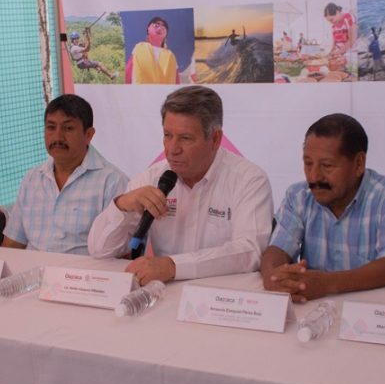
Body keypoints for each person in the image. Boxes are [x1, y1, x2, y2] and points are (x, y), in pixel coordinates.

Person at [88, 86, 274, 285]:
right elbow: (100, 250)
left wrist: (173, 266)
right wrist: (123, 205)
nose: (172, 149)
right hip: (162, 298)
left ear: (215, 139)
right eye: (168, 135)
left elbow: (249, 251)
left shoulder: (249, 180)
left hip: (223, 302)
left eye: (185, 138)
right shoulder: (152, 178)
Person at [261, 113, 385, 303]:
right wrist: (273, 277)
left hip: (382, 314)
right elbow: (277, 249)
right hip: (317, 309)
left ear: (359, 164)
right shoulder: (299, 195)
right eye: (308, 163)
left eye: (327, 166)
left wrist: (327, 284)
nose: (313, 177)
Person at [1, 95, 128, 254]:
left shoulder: (113, 182)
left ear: (88, 135)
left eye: (68, 128)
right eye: (51, 127)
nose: (58, 137)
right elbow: (12, 244)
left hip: (82, 276)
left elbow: (121, 255)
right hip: (32, 275)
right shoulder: (32, 179)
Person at [126, 16, 179, 84]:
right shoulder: (139, 48)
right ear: (148, 29)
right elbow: (128, 74)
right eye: (156, 26)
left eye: (163, 28)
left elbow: (177, 82)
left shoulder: (171, 56)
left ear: (166, 34)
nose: (160, 28)